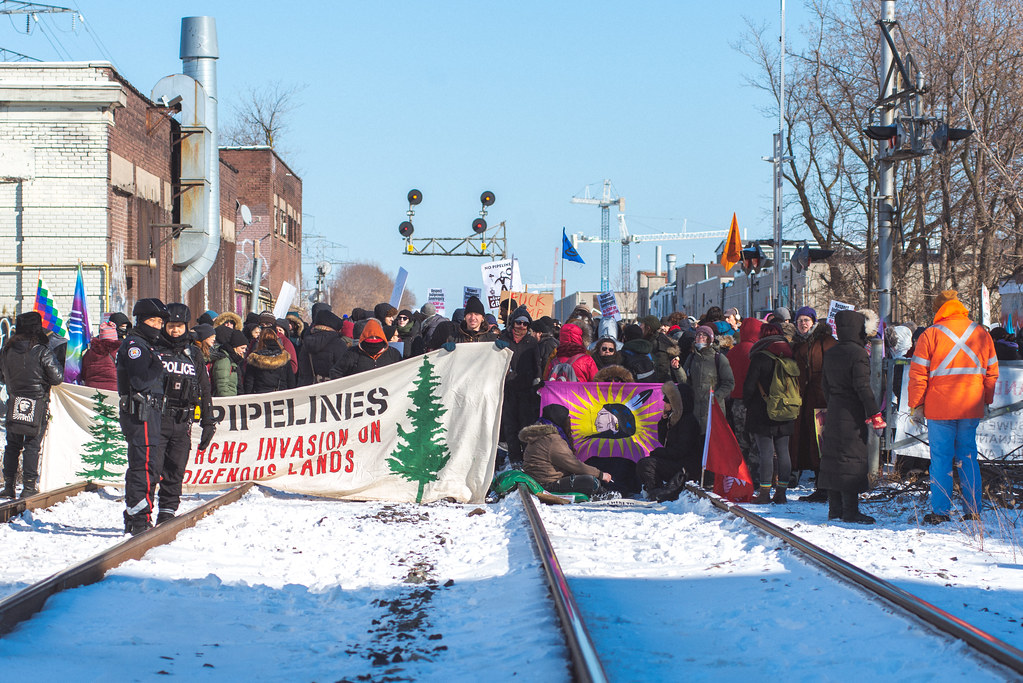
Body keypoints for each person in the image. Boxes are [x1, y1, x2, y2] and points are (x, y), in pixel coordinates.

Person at [908, 290, 998, 524]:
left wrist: (917, 405)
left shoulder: (930, 334)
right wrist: (986, 400)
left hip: (940, 408)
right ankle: (973, 511)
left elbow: (918, 374)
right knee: (968, 457)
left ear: (939, 309)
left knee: (941, 459)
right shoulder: (981, 333)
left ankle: (940, 512)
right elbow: (992, 372)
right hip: (970, 406)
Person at [153, 303, 216, 525]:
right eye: (171, 326)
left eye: (179, 326)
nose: (175, 331)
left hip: (183, 420)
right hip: (157, 418)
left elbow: (204, 388)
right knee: (153, 466)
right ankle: (145, 510)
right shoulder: (155, 349)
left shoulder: (193, 353)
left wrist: (209, 421)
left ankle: (168, 510)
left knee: (175, 468)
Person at [819, 310, 884, 524]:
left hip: (835, 409)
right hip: (852, 412)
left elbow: (825, 386)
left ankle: (834, 509)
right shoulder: (858, 354)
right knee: (851, 459)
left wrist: (834, 402)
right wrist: (874, 412)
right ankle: (850, 511)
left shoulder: (831, 352)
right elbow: (863, 387)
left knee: (833, 459)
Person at [116, 298, 170, 534]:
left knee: (149, 464)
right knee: (143, 465)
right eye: (153, 320)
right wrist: (158, 366)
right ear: (141, 320)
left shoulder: (146, 345)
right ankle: (139, 518)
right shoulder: (135, 346)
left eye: (160, 321)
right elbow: (140, 381)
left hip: (150, 412)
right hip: (141, 413)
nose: (158, 326)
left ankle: (137, 514)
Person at [0, 312, 64, 498]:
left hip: (14, 402)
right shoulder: (42, 351)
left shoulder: (7, 349)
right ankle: (28, 488)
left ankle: (9, 485)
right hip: (37, 403)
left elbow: (2, 376)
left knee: (12, 446)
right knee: (32, 447)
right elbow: (57, 377)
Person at [743, 323, 796, 503]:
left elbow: (749, 386)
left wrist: (747, 404)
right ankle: (781, 492)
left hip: (762, 411)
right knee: (783, 451)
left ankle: (764, 492)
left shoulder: (760, 357)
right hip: (787, 408)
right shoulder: (790, 355)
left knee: (765, 452)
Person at [789, 307, 837, 501]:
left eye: (806, 320)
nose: (803, 324)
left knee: (822, 442)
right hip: (804, 401)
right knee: (810, 442)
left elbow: (834, 367)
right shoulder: (796, 345)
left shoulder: (825, 342)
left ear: (814, 322)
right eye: (800, 320)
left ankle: (825, 487)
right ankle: (820, 485)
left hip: (822, 399)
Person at [520, 404, 614, 497]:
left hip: (538, 480)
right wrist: (601, 474)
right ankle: (602, 495)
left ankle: (601, 492)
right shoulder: (552, 440)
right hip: (547, 484)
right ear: (560, 420)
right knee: (591, 481)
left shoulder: (540, 436)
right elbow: (574, 465)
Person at [637, 381, 701, 499]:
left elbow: (680, 451)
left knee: (647, 464)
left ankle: (657, 492)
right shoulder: (675, 419)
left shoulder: (688, 421)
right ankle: (656, 490)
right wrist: (663, 422)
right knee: (645, 463)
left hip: (685, 467)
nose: (664, 404)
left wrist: (657, 453)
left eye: (667, 402)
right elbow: (664, 441)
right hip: (677, 462)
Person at [498, 307, 540, 466]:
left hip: (526, 389)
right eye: (518, 322)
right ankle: (514, 457)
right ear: (512, 323)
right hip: (508, 388)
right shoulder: (504, 339)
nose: (521, 326)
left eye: (525, 324)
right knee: (510, 424)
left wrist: (537, 379)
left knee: (525, 424)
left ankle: (527, 456)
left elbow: (537, 363)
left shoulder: (532, 342)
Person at [726, 317, 763, 486]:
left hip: (736, 402)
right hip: (754, 402)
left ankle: (741, 473)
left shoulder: (733, 351)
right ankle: (754, 473)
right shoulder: (758, 351)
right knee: (756, 439)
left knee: (741, 440)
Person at [683, 325, 735, 438]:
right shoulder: (691, 358)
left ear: (710, 338)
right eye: (698, 335)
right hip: (695, 409)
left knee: (712, 442)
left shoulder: (719, 358)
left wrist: (715, 398)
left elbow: (729, 383)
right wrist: (677, 369)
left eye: (704, 335)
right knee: (696, 443)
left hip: (713, 410)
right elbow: (685, 381)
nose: (700, 337)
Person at [330, 319, 403, 378]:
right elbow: (336, 372)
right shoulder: (352, 353)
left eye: (377, 337)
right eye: (370, 337)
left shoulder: (393, 354)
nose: (374, 339)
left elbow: (403, 373)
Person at [297, 309, 349, 386]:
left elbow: (301, 371)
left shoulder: (305, 343)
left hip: (308, 390)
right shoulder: (339, 344)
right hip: (332, 390)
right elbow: (345, 370)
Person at [244, 326, 297, 394]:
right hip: (281, 395)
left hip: (260, 397)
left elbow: (249, 384)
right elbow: (291, 382)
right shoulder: (284, 358)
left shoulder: (254, 359)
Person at [80, 321, 121, 391]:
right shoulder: (119, 352)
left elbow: (83, 373)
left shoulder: (90, 353)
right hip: (113, 391)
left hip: (91, 390)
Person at [210, 329, 249, 396]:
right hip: (226, 401)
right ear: (234, 347)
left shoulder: (233, 360)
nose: (244, 351)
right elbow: (222, 385)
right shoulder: (224, 360)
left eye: (245, 348)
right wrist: (228, 402)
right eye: (242, 348)